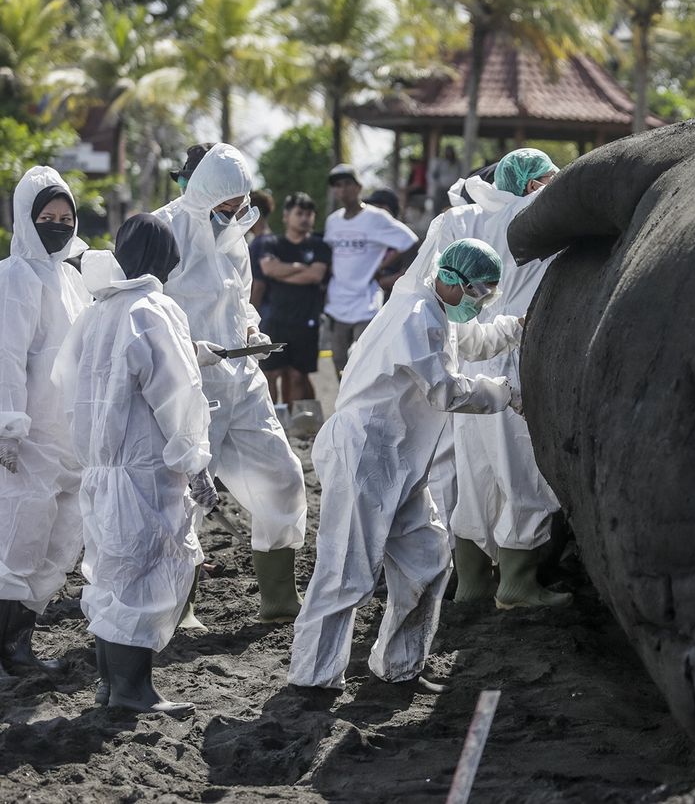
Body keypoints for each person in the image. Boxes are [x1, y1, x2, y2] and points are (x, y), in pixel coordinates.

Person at [289, 237, 524, 691]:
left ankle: (400, 667)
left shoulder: (435, 310)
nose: (480, 303)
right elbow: (446, 391)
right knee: (345, 572)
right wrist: (507, 394)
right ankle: (311, 681)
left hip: (400, 462)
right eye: (478, 293)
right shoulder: (416, 316)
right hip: (366, 455)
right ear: (452, 280)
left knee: (428, 559)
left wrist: (516, 326)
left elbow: (470, 340)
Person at [53, 215, 218, 716]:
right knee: (144, 575)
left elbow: (67, 383)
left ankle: (110, 685)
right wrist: (196, 462)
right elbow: (176, 395)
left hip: (102, 469)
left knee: (110, 575)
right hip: (145, 468)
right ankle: (133, 691)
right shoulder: (154, 308)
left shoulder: (99, 310)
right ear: (166, 258)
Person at [153, 142, 308, 625]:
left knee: (282, 478)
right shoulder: (163, 231)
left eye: (238, 207)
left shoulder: (236, 235)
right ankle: (181, 607)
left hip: (243, 380)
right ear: (199, 194)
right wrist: (186, 350)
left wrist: (251, 332)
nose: (232, 216)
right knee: (182, 498)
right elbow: (138, 309)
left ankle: (279, 600)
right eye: (222, 209)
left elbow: (239, 302)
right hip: (187, 387)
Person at [445, 148, 569, 608]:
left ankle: (473, 582)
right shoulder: (537, 215)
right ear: (534, 184)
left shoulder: (471, 218)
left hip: (472, 352)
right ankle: (518, 584)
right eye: (552, 177)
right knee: (522, 469)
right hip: (514, 352)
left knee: (475, 472)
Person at [0, 166, 91, 677]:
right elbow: (6, 355)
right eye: (46, 217)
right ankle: (8, 653)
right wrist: (8, 427)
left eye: (64, 217)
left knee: (56, 545)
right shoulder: (14, 276)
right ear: (25, 218)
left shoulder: (71, 278)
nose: (56, 225)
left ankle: (19, 647)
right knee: (19, 539)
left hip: (67, 437)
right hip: (29, 437)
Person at [322, 164, 417, 379]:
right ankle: (344, 405)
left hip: (367, 300)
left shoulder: (376, 218)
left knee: (363, 355)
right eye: (337, 186)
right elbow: (330, 254)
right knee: (338, 359)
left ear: (358, 187)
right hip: (338, 302)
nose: (342, 190)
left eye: (347, 184)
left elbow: (409, 241)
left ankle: (363, 406)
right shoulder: (333, 221)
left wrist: (383, 268)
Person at [258, 193, 330, 405]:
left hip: (306, 321)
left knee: (298, 376)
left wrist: (283, 271)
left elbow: (315, 275)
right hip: (275, 320)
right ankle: (270, 423)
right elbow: (269, 268)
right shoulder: (272, 243)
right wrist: (299, 268)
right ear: (286, 216)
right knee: (271, 375)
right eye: (299, 213)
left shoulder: (319, 245)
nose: (305, 218)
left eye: (309, 213)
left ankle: (294, 428)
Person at [247, 189, 275, 321]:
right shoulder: (272, 239)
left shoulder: (259, 243)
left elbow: (258, 285)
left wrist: (249, 319)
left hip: (262, 311)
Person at [429, 146, 463, 216]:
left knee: (451, 206)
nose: (449, 153)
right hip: (441, 188)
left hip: (452, 189)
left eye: (450, 151)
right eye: (447, 152)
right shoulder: (441, 162)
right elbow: (434, 175)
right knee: (438, 206)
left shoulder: (458, 164)